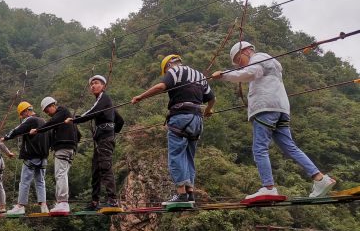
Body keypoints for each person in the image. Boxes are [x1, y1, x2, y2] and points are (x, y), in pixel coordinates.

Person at [212, 41, 336, 201]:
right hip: (281, 109)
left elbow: (250, 73)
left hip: (266, 107)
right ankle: (320, 178)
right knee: (290, 147)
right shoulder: (271, 63)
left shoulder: (258, 57)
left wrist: (224, 75)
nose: (239, 65)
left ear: (246, 51)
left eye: (238, 60)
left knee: (259, 148)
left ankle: (268, 187)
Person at [132, 54, 215, 207]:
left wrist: (140, 97)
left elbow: (160, 87)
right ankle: (190, 194)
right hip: (197, 119)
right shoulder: (199, 75)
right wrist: (208, 110)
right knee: (189, 157)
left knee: (176, 155)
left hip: (180, 118)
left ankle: (181, 194)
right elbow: (211, 98)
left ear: (169, 65)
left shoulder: (174, 71)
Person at [65, 75, 123, 210]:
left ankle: (113, 199)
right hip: (102, 139)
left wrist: (75, 120)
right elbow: (120, 121)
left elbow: (92, 112)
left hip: (105, 139)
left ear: (103, 86)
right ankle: (95, 202)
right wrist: (113, 133)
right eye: (91, 85)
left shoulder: (104, 98)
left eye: (96, 83)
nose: (93, 86)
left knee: (105, 166)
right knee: (96, 170)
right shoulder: (107, 104)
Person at [30, 97, 80, 213]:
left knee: (60, 174)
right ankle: (61, 202)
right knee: (63, 174)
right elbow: (78, 133)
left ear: (52, 105)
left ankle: (62, 202)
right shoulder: (64, 116)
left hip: (63, 148)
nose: (48, 114)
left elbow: (51, 123)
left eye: (47, 111)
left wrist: (37, 130)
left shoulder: (61, 111)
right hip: (70, 148)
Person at [1, 101, 50, 215]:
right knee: (40, 181)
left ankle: (20, 206)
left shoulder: (30, 120)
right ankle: (43, 206)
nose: (22, 118)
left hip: (31, 156)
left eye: (22, 115)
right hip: (43, 157)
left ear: (26, 111)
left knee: (24, 181)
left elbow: (17, 129)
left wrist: (6, 137)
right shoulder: (43, 121)